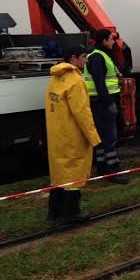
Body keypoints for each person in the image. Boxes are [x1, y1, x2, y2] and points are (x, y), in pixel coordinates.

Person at [46, 44, 102, 224]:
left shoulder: (56, 78)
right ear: (73, 58)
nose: (86, 60)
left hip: (57, 135)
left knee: (58, 174)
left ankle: (55, 211)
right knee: (72, 174)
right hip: (72, 136)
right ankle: (72, 213)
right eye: (84, 56)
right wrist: (93, 138)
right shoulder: (75, 81)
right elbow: (82, 113)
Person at [83, 29, 128, 184]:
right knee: (110, 137)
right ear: (103, 41)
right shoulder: (97, 57)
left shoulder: (97, 55)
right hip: (102, 102)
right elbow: (100, 83)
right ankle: (113, 171)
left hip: (100, 101)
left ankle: (102, 167)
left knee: (102, 137)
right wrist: (109, 103)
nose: (113, 41)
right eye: (111, 39)